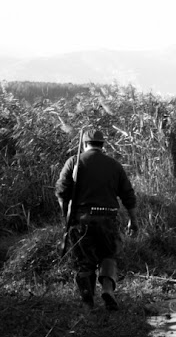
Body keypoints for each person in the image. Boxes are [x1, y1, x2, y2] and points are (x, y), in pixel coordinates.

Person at [55, 129, 138, 310]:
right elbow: (128, 195)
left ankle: (88, 304)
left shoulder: (73, 162)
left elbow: (61, 192)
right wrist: (133, 219)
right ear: (102, 145)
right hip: (108, 219)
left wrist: (66, 216)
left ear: (85, 144)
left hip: (82, 219)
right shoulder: (115, 165)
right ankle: (107, 289)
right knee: (109, 255)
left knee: (84, 262)